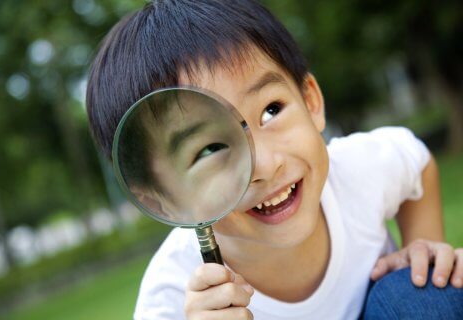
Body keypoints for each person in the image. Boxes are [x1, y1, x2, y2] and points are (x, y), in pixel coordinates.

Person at [85, 0, 463, 319]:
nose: (265, 166)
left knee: (423, 295)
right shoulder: (169, 297)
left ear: (311, 101)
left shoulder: (358, 171)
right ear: (159, 199)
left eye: (271, 110)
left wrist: (423, 245)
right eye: (210, 149)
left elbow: (415, 160)